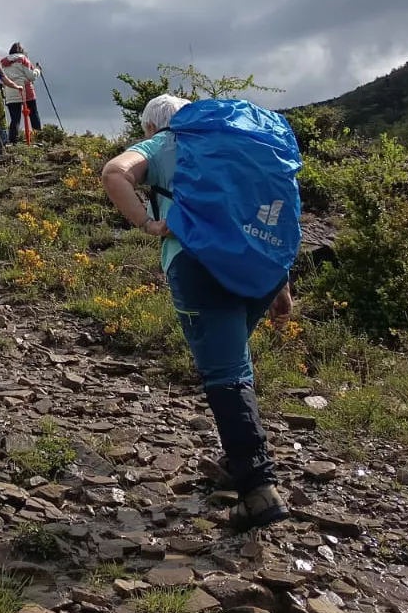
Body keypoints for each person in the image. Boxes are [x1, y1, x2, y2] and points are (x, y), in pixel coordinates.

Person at [100, 94, 295, 531]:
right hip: (261, 268)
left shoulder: (164, 144)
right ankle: (236, 460)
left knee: (226, 372)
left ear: (152, 126)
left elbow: (114, 173)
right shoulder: (238, 144)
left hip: (197, 264)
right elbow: (265, 214)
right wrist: (282, 285)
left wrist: (148, 224)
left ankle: (258, 488)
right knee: (235, 360)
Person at [2, 43, 42, 143]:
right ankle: (38, 138)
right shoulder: (23, 59)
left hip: (10, 91)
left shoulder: (3, 62)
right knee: (33, 113)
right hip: (25, 90)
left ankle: (13, 141)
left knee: (15, 118)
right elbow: (31, 76)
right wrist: (38, 69)